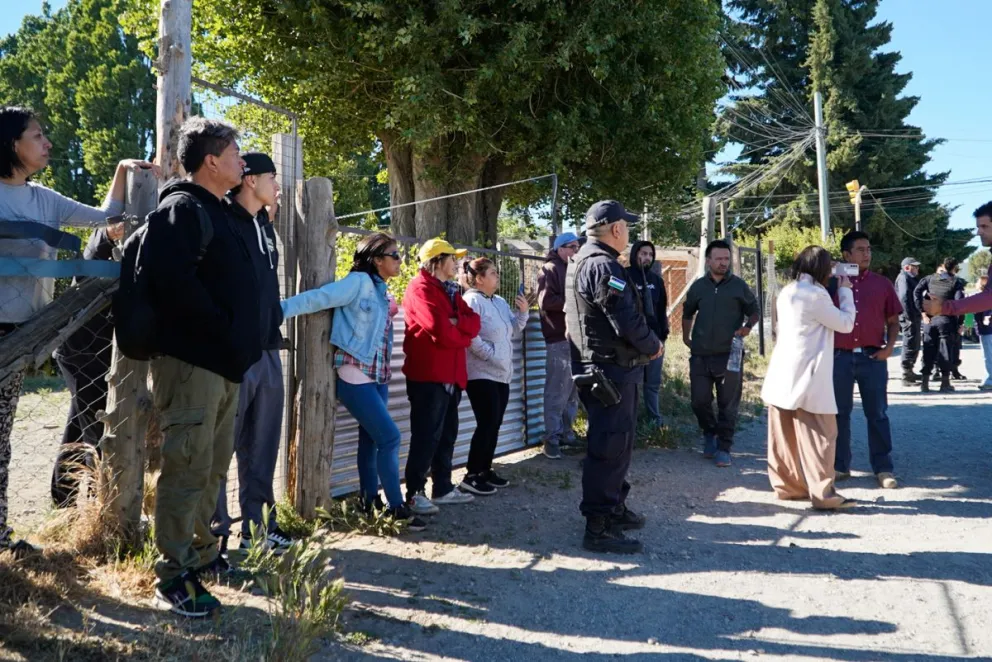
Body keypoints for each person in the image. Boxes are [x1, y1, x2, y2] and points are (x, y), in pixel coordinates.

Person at [0, 105, 156, 555]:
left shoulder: (45, 199)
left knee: (3, 439)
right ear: (12, 143)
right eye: (36, 135)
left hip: (22, 334)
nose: (46, 142)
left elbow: (108, 215)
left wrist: (124, 171)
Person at [141, 117, 262, 618]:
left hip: (223, 365)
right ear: (211, 161)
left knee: (210, 470)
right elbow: (169, 281)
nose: (243, 162)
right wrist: (220, 326)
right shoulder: (182, 209)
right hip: (193, 364)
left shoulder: (223, 212)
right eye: (236, 153)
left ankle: (202, 555)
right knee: (186, 470)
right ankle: (172, 575)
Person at [279, 232, 426, 531]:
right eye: (394, 255)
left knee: (371, 441)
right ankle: (396, 508)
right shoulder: (358, 282)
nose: (400, 260)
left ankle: (369, 501)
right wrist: (277, 310)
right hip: (355, 372)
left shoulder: (380, 289)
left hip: (378, 375)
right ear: (376, 260)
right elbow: (320, 297)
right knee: (390, 438)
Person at [209, 153, 295, 554]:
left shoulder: (264, 224)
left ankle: (259, 529)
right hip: (233, 354)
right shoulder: (222, 221)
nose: (278, 187)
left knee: (263, 444)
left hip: (268, 349)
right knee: (221, 444)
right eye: (272, 178)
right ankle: (214, 533)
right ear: (250, 180)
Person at [565, 200, 662, 554]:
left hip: (604, 369)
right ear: (617, 229)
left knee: (616, 444)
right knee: (609, 447)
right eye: (628, 227)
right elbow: (625, 321)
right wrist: (653, 346)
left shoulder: (583, 261)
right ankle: (599, 526)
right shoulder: (604, 266)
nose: (630, 233)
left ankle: (614, 507)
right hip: (609, 371)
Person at [762, 247, 857, 510]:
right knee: (822, 436)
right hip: (809, 376)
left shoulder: (787, 291)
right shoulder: (817, 295)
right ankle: (823, 495)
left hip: (782, 373)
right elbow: (846, 323)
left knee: (784, 438)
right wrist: (846, 290)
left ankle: (789, 488)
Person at [402, 238, 481, 515]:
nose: (457, 263)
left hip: (452, 374)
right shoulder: (420, 288)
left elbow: (474, 322)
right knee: (426, 435)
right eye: (452, 258)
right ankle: (414, 493)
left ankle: (443, 487)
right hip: (429, 376)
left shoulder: (451, 291)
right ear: (436, 261)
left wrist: (458, 324)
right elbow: (439, 329)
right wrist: (460, 331)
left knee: (447, 433)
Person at [830, 231, 900, 489]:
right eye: (860, 250)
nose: (867, 254)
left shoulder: (882, 284)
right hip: (839, 357)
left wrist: (889, 348)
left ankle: (883, 468)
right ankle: (840, 466)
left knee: (878, 413)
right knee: (839, 413)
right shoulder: (831, 284)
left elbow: (894, 321)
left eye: (868, 249)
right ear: (846, 255)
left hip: (873, 357)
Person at [50, 228, 114, 508]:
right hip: (80, 351)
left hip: (104, 353)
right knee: (95, 430)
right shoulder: (102, 240)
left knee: (79, 424)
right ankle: (98, 502)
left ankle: (63, 498)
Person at [682, 239, 759, 468]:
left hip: (730, 355)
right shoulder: (698, 287)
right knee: (699, 400)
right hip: (701, 355)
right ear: (708, 261)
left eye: (726, 259)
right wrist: (686, 338)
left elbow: (754, 311)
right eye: (719, 259)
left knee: (728, 403)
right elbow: (687, 314)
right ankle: (710, 433)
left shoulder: (738, 286)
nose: (723, 263)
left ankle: (724, 447)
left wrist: (747, 327)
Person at [459, 257, 529, 495]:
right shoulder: (470, 301)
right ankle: (471, 475)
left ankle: (484, 470)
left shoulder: (498, 301)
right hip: (481, 373)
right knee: (486, 423)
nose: (497, 277)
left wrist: (523, 313)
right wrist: (490, 355)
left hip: (501, 374)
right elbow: (469, 336)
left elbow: (514, 328)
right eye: (492, 273)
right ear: (479, 279)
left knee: (494, 424)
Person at [537, 231, 581, 459]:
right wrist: (573, 303)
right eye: (572, 247)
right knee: (556, 391)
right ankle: (551, 439)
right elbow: (545, 301)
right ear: (560, 248)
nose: (576, 251)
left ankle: (567, 434)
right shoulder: (550, 269)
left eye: (577, 247)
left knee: (572, 391)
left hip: (575, 337)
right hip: (558, 338)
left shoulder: (572, 267)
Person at [627, 239, 669, 429]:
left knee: (652, 383)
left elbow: (661, 311)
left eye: (650, 255)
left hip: (654, 339)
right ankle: (629, 421)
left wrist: (662, 336)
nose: (647, 258)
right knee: (631, 384)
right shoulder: (625, 276)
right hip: (631, 341)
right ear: (635, 254)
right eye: (643, 253)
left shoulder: (656, 281)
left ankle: (654, 420)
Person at [914, 257, 965, 393]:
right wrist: (960, 323)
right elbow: (960, 303)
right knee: (945, 352)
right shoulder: (956, 282)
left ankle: (924, 383)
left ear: (943, 265)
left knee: (928, 350)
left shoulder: (929, 278)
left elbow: (916, 292)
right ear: (955, 267)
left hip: (929, 321)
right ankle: (945, 383)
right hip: (946, 321)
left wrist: (922, 312)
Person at [894, 257, 922, 386]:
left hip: (912, 315)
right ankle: (906, 374)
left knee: (914, 341)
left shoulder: (909, 278)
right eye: (914, 266)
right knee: (910, 342)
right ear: (907, 267)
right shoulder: (904, 278)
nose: (917, 269)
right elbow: (904, 297)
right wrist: (909, 316)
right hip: (908, 316)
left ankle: (910, 370)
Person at [975, 273, 992, 391]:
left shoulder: (982, 298)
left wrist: (987, 317)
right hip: (986, 329)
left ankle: (990, 380)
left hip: (986, 330)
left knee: (988, 356)